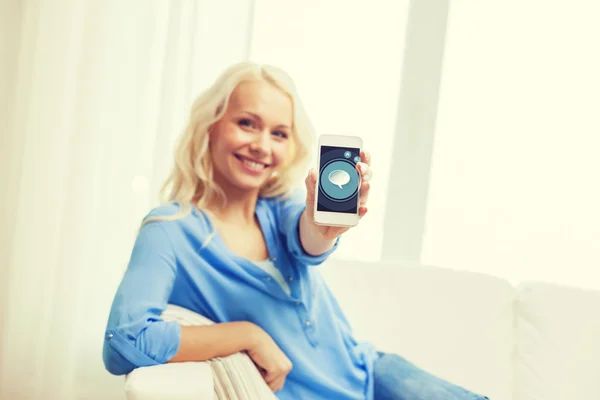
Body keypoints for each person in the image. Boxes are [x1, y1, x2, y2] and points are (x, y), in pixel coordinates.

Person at [102, 61, 489, 400]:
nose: (261, 145)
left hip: (374, 374)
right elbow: (124, 341)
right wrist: (247, 335)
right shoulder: (169, 230)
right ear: (211, 127)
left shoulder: (280, 208)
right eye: (247, 123)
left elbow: (309, 240)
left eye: (279, 133)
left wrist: (325, 227)